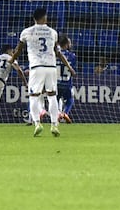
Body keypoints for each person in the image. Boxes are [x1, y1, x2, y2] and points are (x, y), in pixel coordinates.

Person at [11, 7, 75, 137]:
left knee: (34, 96)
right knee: (52, 96)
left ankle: (37, 123)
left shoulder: (26, 32)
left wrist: (12, 59)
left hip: (36, 67)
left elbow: (18, 50)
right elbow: (58, 53)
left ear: (34, 18)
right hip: (51, 68)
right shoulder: (52, 32)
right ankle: (54, 124)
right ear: (45, 17)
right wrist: (69, 66)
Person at [56, 35, 76, 124]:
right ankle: (65, 113)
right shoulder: (72, 55)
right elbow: (73, 68)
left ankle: (57, 114)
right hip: (67, 83)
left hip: (56, 82)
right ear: (67, 44)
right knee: (70, 99)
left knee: (55, 99)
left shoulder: (55, 55)